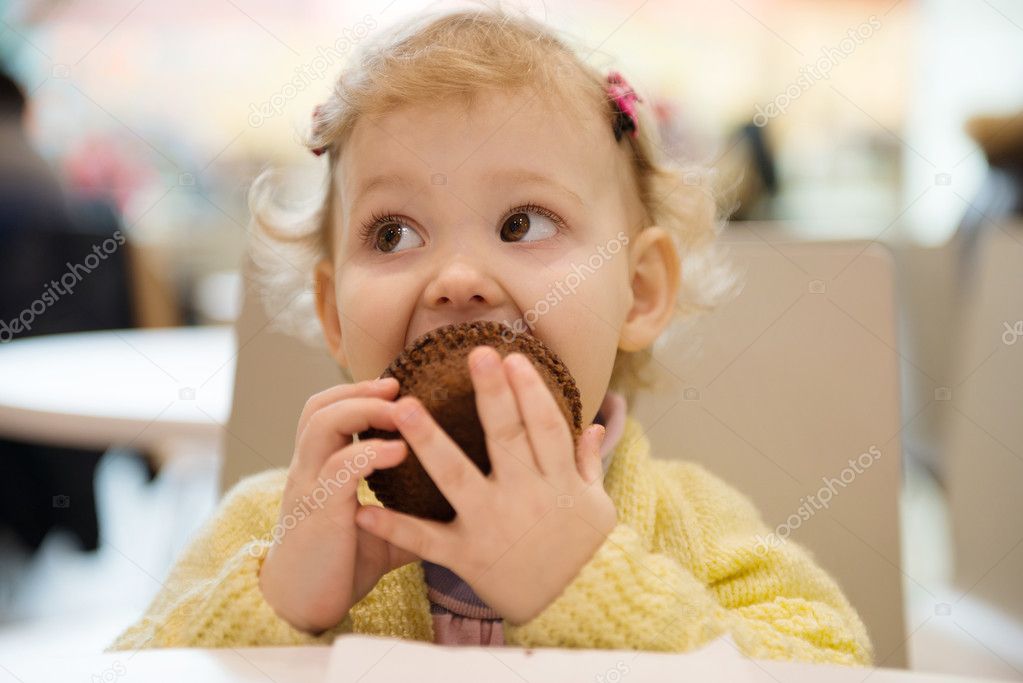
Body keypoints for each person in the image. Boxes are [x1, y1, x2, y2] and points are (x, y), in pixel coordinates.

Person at [108, 8, 874, 665]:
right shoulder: (271, 528)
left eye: (522, 223)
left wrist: (588, 580)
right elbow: (132, 667)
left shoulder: (692, 526)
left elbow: (833, 661)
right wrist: (275, 610)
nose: (456, 277)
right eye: (394, 232)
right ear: (334, 311)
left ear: (638, 291)